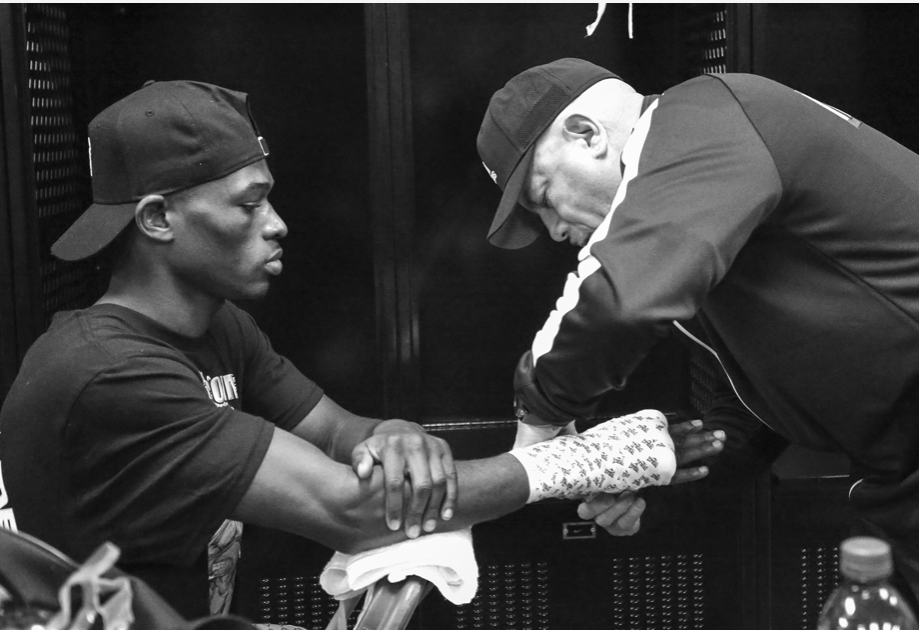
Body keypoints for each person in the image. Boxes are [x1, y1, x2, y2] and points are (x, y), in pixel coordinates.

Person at [0, 79, 723, 620]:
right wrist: (580, 461)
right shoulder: (108, 373)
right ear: (158, 218)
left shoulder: (219, 331)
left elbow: (343, 434)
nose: (278, 224)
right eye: (249, 205)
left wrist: (401, 437)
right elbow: (349, 507)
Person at [476, 56, 919, 608]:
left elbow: (618, 303)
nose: (556, 229)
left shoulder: (701, 116)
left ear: (587, 135)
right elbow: (756, 405)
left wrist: (538, 422)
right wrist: (651, 467)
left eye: (543, 200)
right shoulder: (699, 216)